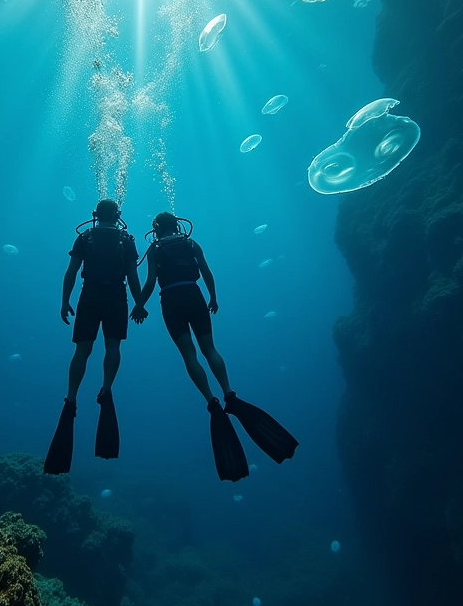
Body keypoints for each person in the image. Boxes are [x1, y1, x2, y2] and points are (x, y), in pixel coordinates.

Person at [131, 212, 298, 482]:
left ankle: (211, 400)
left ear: (156, 229)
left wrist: (139, 304)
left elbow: (150, 281)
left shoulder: (155, 248)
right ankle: (229, 393)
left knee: (189, 354)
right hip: (194, 295)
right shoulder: (191, 244)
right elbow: (206, 272)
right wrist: (213, 297)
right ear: (178, 225)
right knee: (210, 349)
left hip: (171, 299)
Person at [43, 199, 146, 475]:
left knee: (82, 351)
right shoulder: (126, 240)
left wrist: (65, 302)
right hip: (116, 296)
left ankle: (71, 398)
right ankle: (106, 389)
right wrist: (139, 303)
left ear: (95, 215)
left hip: (88, 295)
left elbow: (71, 273)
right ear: (118, 215)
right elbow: (133, 277)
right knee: (112, 346)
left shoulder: (85, 237)